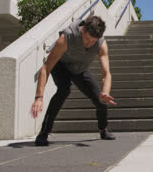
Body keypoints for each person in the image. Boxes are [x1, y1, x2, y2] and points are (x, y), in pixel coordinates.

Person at [31, 15, 117, 146]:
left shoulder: (101, 44)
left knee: (101, 99)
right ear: (83, 30)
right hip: (61, 66)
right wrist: (39, 97)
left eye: (93, 41)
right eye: (87, 39)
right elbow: (46, 68)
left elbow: (106, 73)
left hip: (80, 69)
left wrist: (105, 92)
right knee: (63, 90)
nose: (89, 44)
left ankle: (103, 129)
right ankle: (43, 133)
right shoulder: (67, 37)